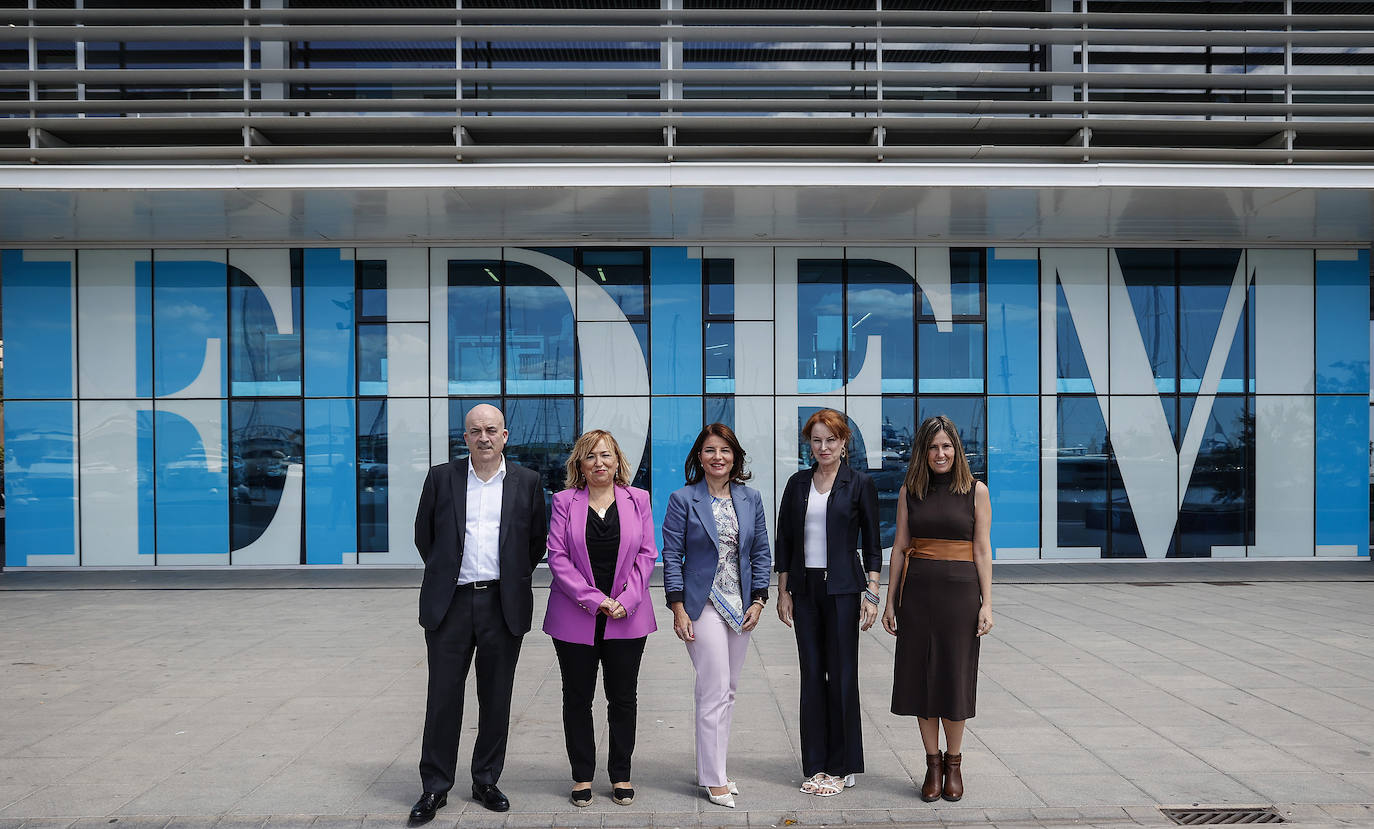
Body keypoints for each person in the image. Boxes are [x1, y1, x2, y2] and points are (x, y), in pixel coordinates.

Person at [409, 404, 549, 823]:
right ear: (465, 437)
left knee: (496, 697)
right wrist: (446, 574)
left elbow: (535, 543)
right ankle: (435, 787)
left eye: (491, 430)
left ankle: (486, 779)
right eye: (474, 431)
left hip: (502, 604)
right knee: (443, 698)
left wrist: (508, 580)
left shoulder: (528, 482)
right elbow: (425, 537)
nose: (483, 437)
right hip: (450, 603)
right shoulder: (441, 478)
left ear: (505, 436)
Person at [542, 429, 659, 808]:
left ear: (617, 460)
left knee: (623, 698)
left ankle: (621, 774)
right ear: (579, 463)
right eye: (590, 456)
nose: (599, 463)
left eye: (606, 455)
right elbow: (557, 557)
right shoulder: (564, 501)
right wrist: (596, 601)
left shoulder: (637, 498)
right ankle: (582, 776)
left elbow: (646, 554)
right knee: (576, 698)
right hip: (575, 616)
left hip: (628, 615)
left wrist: (627, 599)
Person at [881, 414, 993, 803]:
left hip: (961, 596)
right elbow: (898, 548)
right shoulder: (909, 491)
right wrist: (890, 601)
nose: (939, 453)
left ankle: (955, 763)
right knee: (921, 679)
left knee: (954, 679)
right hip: (918, 594)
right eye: (932, 447)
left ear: (956, 449)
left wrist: (987, 604)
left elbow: (981, 549)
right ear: (922, 453)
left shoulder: (976, 491)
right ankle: (932, 763)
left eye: (946, 446)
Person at [661, 423, 772, 809]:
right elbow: (671, 556)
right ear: (699, 458)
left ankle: (716, 768)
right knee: (713, 687)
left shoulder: (750, 498)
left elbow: (761, 552)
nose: (717, 457)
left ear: (735, 456)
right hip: (701, 603)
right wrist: (677, 607)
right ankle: (713, 779)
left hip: (740, 605)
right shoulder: (682, 499)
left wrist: (759, 598)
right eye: (709, 450)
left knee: (728, 690)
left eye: (724, 450)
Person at [774, 409, 881, 797]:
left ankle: (843, 764)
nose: (823, 447)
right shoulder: (798, 483)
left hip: (843, 591)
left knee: (841, 676)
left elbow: (871, 542)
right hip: (805, 591)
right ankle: (816, 763)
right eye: (817, 440)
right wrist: (783, 589)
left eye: (831, 440)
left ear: (844, 442)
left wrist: (871, 591)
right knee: (812, 676)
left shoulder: (859, 484)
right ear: (809, 444)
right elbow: (784, 539)